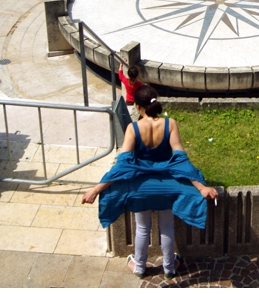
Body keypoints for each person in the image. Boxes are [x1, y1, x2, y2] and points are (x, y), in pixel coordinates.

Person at [81, 85, 218, 279]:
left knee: (142, 228)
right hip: (166, 186)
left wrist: (96, 190)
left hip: (141, 188)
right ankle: (170, 268)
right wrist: (201, 187)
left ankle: (139, 267)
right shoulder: (170, 124)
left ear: (137, 106)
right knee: (167, 226)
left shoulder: (133, 128)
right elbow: (180, 160)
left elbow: (122, 166)